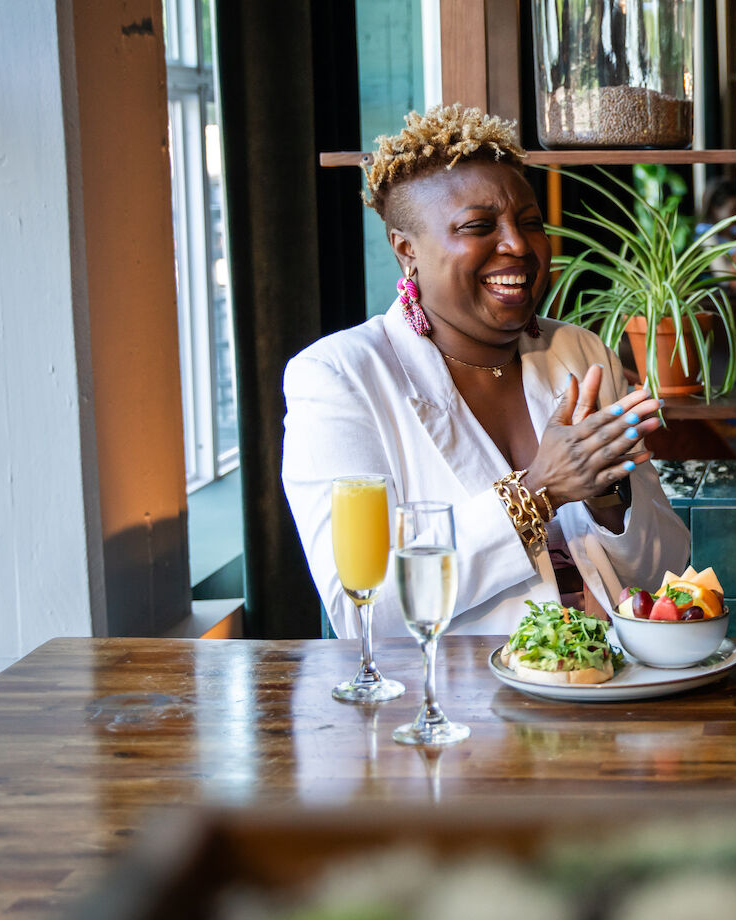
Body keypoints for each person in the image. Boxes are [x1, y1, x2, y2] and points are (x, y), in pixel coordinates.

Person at [282, 105, 690, 639]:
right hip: (461, 708)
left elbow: (667, 572)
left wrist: (607, 498)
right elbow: (364, 607)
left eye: (528, 224)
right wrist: (538, 494)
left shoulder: (579, 351)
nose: (518, 246)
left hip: (612, 689)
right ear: (406, 249)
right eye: (478, 227)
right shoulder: (340, 377)